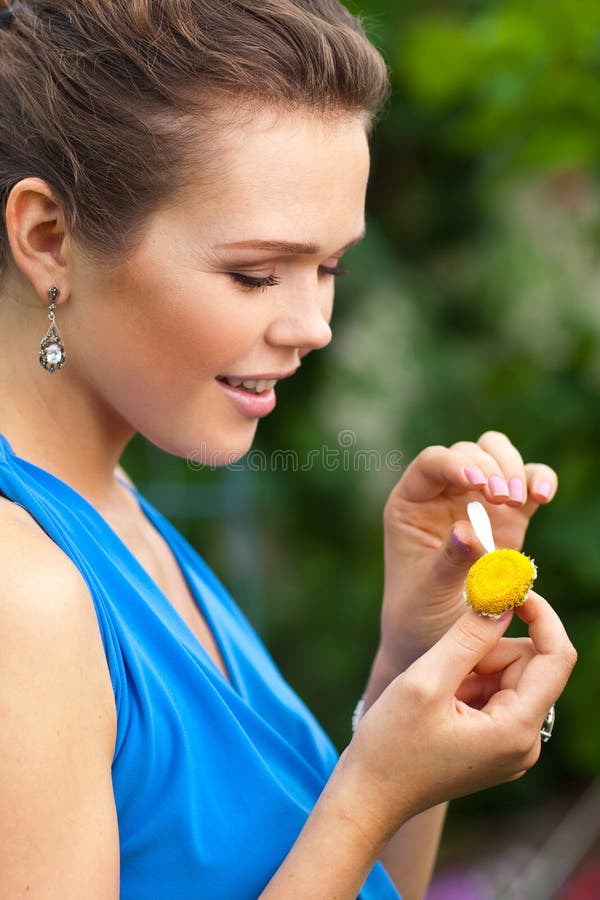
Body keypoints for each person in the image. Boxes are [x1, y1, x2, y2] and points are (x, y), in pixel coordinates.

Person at [0, 1, 576, 898]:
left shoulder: (117, 516)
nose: (314, 326)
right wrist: (368, 791)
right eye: (255, 273)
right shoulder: (20, 595)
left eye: (332, 267)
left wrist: (416, 660)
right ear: (49, 239)